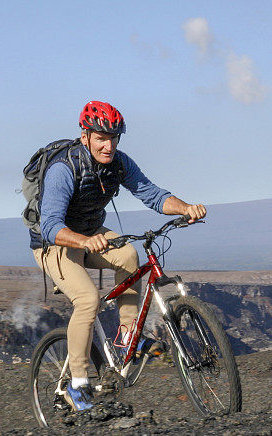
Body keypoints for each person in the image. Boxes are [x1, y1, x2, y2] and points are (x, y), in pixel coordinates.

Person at [29, 100, 206, 411]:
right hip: (54, 244)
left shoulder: (120, 163)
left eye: (113, 138)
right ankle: (78, 384)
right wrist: (83, 241)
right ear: (85, 136)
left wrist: (186, 208)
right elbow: (50, 226)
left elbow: (152, 195)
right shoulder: (64, 168)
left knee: (127, 255)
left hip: (91, 235)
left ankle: (127, 336)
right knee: (87, 300)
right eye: (101, 137)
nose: (108, 145)